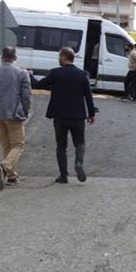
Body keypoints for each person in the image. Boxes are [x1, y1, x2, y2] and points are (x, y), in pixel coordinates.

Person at [32, 47, 96, 183]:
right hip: (78, 116)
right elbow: (88, 96)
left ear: (64, 57)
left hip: (60, 116)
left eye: (59, 56)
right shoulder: (82, 74)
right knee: (80, 143)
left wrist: (29, 75)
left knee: (61, 146)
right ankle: (79, 162)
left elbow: (38, 85)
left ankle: (63, 175)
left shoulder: (56, 73)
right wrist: (91, 114)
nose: (58, 58)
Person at [0, 46, 32, 190]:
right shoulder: (22, 73)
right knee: (18, 145)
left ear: (1, 57)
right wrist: (26, 112)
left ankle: (11, 176)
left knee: (6, 145)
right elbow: (26, 97)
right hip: (14, 114)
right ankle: (6, 166)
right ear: (15, 58)